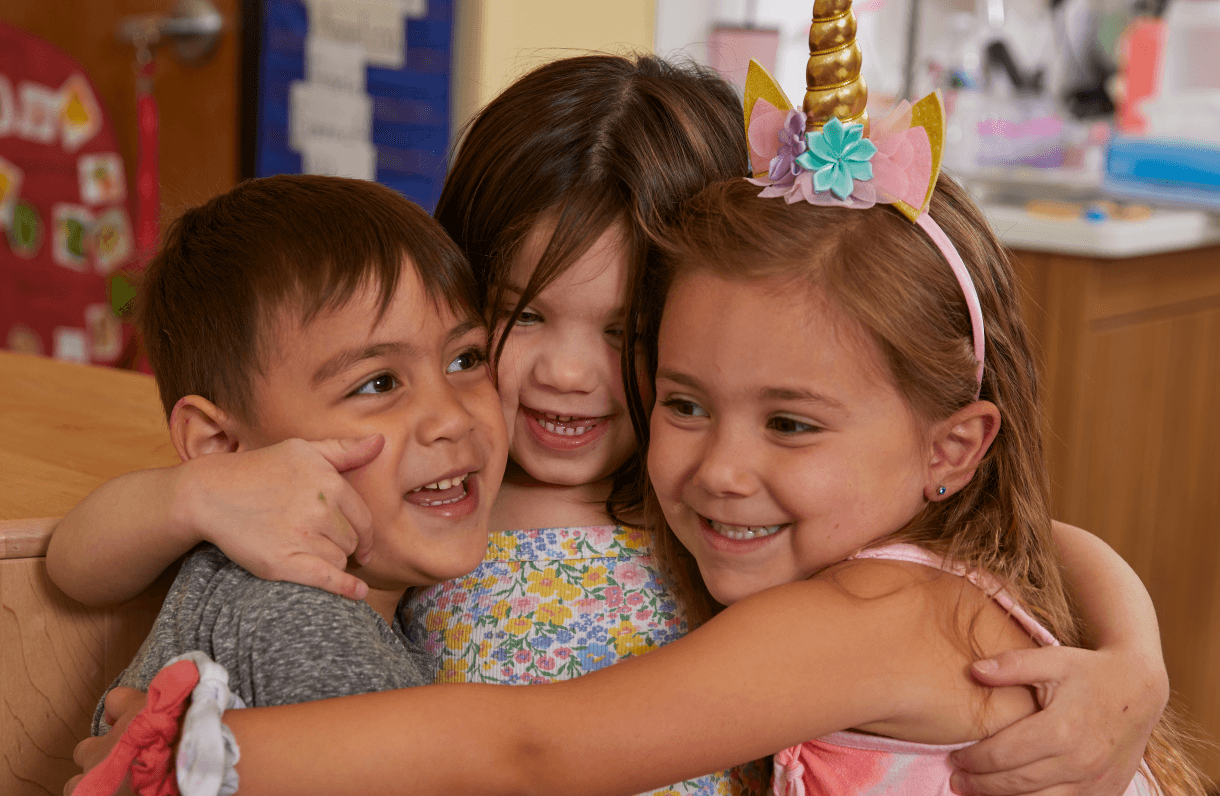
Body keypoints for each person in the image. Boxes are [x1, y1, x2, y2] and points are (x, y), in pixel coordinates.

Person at [59, 55, 1168, 795]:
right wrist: (191, 495)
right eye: (516, 315)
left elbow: (529, 748)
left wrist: (1133, 662)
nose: (567, 373)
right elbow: (86, 557)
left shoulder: (738, 519)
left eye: (631, 332)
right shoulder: (440, 485)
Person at [82, 175, 507, 728]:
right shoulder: (304, 623)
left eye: (465, 359)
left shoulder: (241, 579)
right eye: (378, 383)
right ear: (221, 447)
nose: (452, 417)